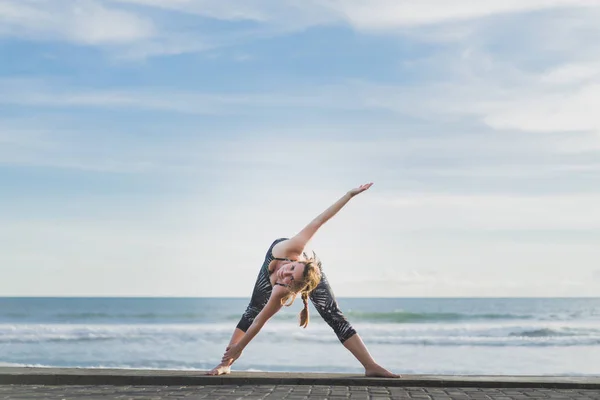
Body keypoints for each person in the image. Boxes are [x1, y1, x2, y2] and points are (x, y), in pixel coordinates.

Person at [207, 183, 399, 378]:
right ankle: (225, 365)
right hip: (299, 263)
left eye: (290, 278)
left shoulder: (282, 289)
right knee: (253, 308)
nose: (285, 274)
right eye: (290, 269)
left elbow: (262, 320)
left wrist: (240, 346)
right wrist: (348, 195)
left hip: (308, 276)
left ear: (293, 287)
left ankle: (370, 365)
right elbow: (320, 220)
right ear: (295, 262)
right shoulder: (292, 248)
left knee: (333, 314)